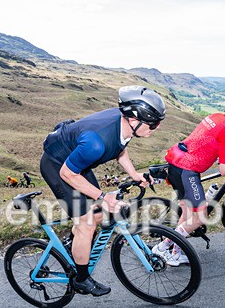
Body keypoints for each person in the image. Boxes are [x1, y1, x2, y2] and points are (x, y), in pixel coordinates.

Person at [40, 85, 165, 296]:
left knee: (99, 212)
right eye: (153, 124)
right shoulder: (95, 144)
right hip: (58, 167)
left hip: (78, 164)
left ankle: (73, 243)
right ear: (134, 121)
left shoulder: (124, 125)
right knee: (87, 222)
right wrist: (102, 196)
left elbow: (120, 147)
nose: (157, 128)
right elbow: (68, 175)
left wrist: (134, 174)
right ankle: (81, 279)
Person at [153, 99, 225, 266]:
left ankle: (175, 253)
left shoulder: (218, 117)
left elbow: (211, 141)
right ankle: (162, 247)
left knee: (187, 214)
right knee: (200, 218)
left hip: (176, 164)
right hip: (187, 171)